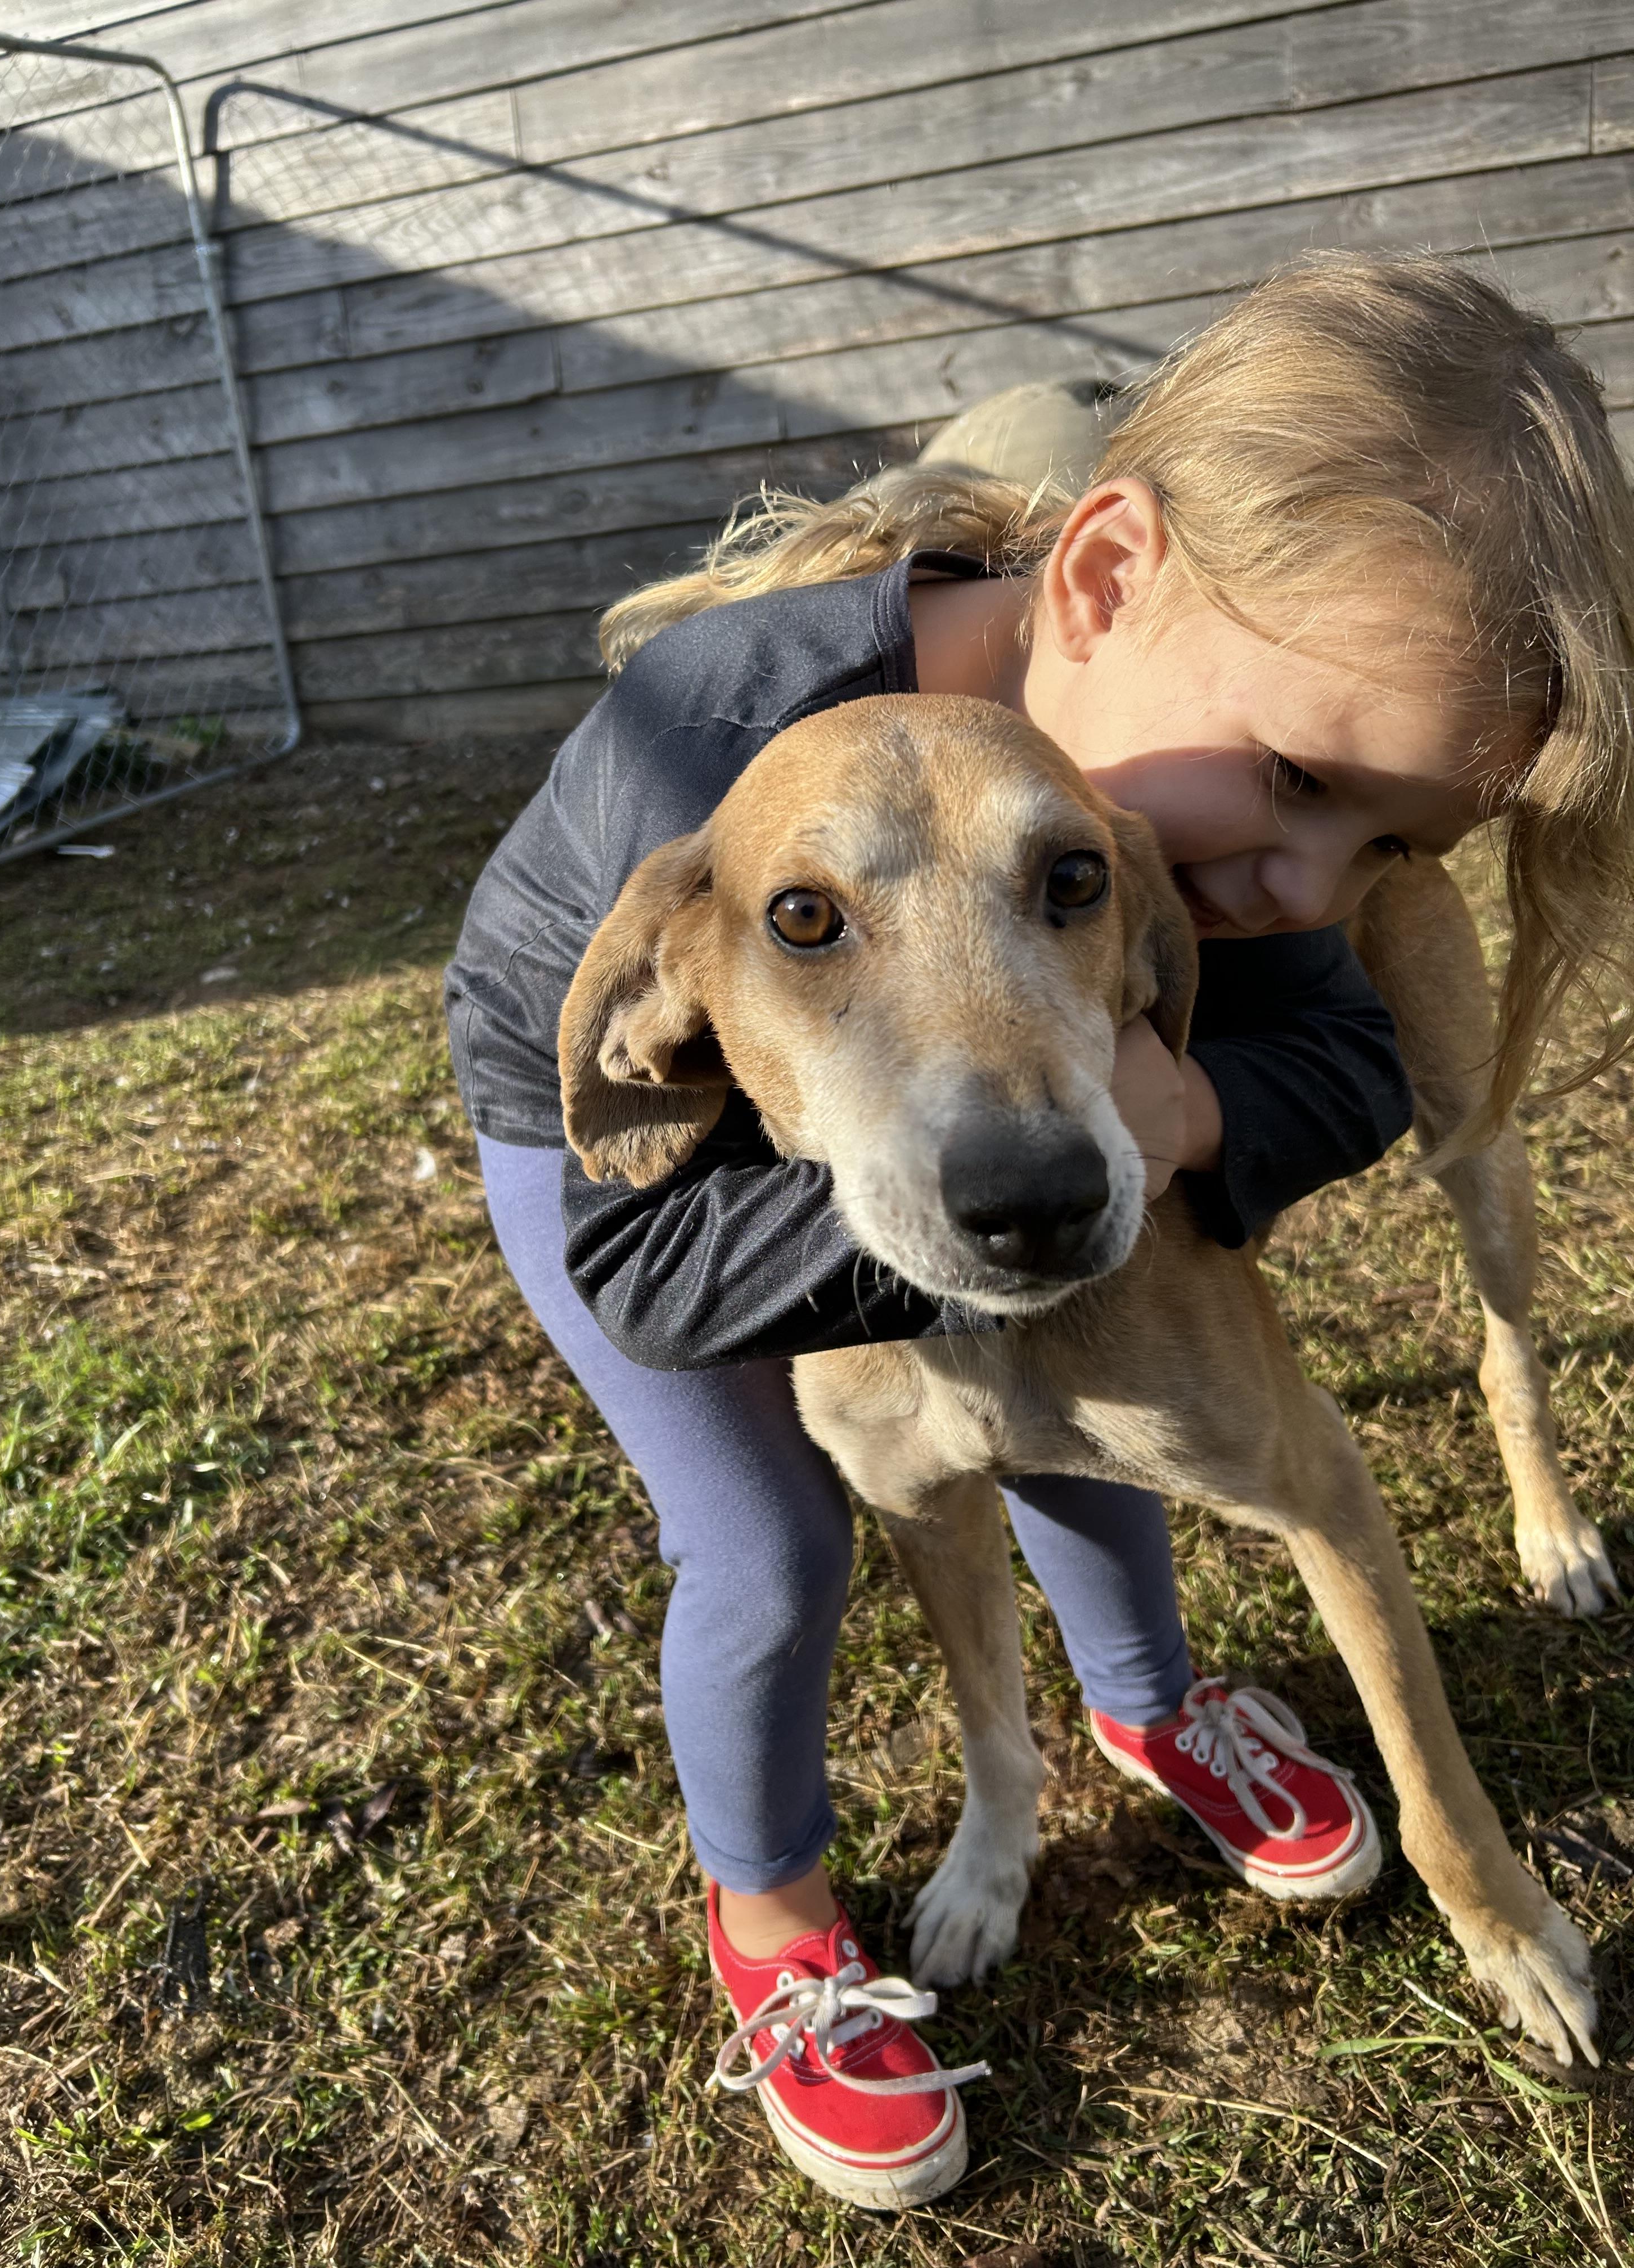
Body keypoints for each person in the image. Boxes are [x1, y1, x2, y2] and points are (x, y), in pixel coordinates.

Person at [445, 254, 1634, 2211]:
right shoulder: (707, 752)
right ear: (1094, 585)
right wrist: (1047, 1111)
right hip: (613, 1121)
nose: (1305, 891)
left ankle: (1154, 1711)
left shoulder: (1199, 862)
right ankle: (780, 1924)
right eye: (1299, 788)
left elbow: (1342, 1046)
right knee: (774, 1536)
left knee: (1074, 1391)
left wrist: (1190, 1107)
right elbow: (644, 1258)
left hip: (1020, 1106)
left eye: (1395, 843)